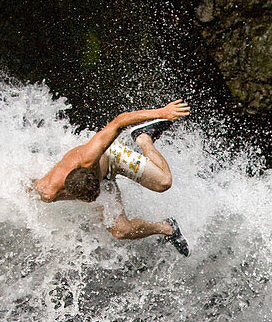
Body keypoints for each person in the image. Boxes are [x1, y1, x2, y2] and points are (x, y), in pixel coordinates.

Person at [33, 99, 191, 255]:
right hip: (102, 182)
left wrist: (162, 112)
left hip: (111, 157)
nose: (94, 201)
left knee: (164, 182)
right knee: (120, 231)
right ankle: (168, 228)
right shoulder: (48, 191)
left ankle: (144, 137)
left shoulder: (89, 155)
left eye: (94, 196)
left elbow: (119, 122)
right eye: (88, 199)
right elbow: (26, 188)